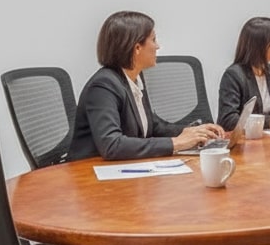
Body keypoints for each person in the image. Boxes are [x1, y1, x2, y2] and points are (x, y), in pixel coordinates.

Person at [67, 11, 224, 161]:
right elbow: (112, 145)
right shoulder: (103, 86)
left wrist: (190, 132)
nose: (158, 46)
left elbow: (152, 125)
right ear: (137, 48)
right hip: (90, 173)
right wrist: (176, 143)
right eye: (154, 40)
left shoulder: (133, 78)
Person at [217, 17, 270, 130]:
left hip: (265, 138)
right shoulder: (233, 75)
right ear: (262, 45)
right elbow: (228, 121)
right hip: (243, 143)